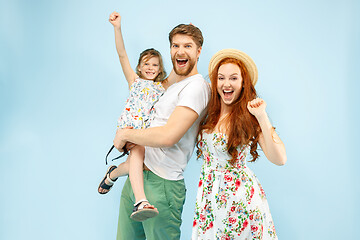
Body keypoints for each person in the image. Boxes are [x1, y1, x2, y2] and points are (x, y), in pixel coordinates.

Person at [113, 24, 210, 240]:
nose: (180, 50)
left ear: (199, 51)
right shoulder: (173, 84)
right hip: (137, 179)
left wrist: (125, 135)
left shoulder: (196, 87)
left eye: (188, 45)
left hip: (162, 183)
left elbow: (168, 136)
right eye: (175, 45)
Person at [191, 49, 287, 240]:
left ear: (243, 83)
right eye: (221, 78)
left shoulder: (248, 117)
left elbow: (280, 159)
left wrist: (261, 116)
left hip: (238, 198)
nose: (226, 84)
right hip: (208, 195)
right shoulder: (210, 112)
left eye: (234, 78)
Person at [98, 11, 172, 222]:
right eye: (146, 64)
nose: (150, 68)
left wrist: (190, 41)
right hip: (129, 130)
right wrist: (117, 28)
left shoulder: (161, 87)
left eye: (155, 65)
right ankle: (141, 200)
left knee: (136, 163)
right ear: (140, 67)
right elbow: (122, 55)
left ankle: (112, 174)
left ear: (159, 70)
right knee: (137, 153)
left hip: (146, 133)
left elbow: (178, 72)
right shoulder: (134, 81)